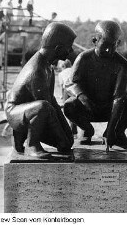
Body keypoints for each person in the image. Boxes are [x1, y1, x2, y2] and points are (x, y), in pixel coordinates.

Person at [64, 20, 127, 149]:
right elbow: (71, 83)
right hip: (88, 108)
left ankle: (117, 131)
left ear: (117, 43)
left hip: (110, 109)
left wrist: (111, 130)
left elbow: (119, 97)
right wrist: (82, 97)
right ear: (95, 41)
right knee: (69, 106)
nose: (109, 50)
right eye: (105, 45)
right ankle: (87, 130)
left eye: (113, 45)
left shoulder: (123, 65)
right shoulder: (83, 58)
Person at [5, 22, 76, 158]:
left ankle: (21, 136)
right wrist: (60, 136)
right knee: (42, 107)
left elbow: (53, 102)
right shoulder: (37, 69)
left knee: (66, 143)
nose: (71, 51)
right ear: (58, 48)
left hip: (30, 110)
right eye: (69, 47)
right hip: (16, 112)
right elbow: (46, 107)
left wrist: (65, 138)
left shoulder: (47, 66)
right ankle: (31, 145)